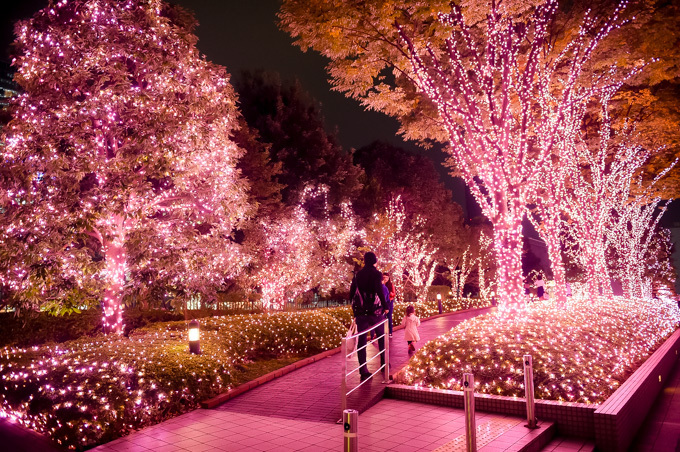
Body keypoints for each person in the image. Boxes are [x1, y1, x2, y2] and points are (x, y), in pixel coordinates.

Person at [349, 252, 389, 381]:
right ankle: (384, 363)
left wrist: (354, 307)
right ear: (375, 261)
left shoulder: (358, 274)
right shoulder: (376, 274)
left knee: (362, 340)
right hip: (375, 311)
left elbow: (351, 292)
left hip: (361, 311)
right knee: (382, 337)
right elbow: (378, 290)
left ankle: (363, 370)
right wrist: (385, 305)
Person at [383, 273, 396, 337]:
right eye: (384, 277)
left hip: (389, 302)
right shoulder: (381, 285)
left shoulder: (391, 285)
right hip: (383, 302)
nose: (385, 279)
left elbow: (394, 294)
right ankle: (382, 332)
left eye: (386, 277)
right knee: (382, 317)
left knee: (389, 317)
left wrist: (390, 294)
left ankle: (390, 332)